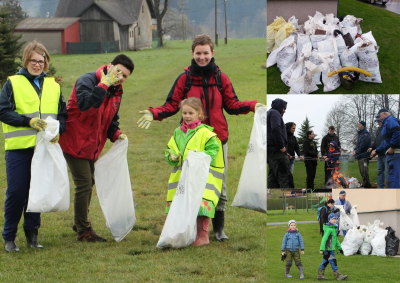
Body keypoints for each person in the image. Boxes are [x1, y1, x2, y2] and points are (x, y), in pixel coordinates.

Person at [136, 34, 264, 241]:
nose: (202, 57)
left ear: (212, 53)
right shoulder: (184, 78)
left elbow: (232, 105)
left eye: (206, 53)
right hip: (191, 141)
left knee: (217, 185)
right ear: (192, 53)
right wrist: (154, 113)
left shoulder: (221, 78)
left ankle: (218, 229)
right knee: (191, 184)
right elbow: (171, 105)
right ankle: (192, 227)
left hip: (217, 140)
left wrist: (252, 105)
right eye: (198, 53)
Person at [0, 41, 67, 252]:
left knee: (36, 191)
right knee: (17, 192)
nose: (38, 64)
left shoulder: (53, 86)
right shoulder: (13, 83)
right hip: (19, 148)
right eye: (34, 60)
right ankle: (9, 237)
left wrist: (58, 131)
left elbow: (63, 115)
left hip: (43, 148)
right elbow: (3, 111)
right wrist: (26, 122)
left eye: (42, 60)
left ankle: (32, 236)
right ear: (26, 60)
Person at [59, 54, 133, 242]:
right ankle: (83, 231)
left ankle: (80, 221)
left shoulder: (117, 90)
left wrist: (117, 134)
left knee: (88, 182)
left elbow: (111, 118)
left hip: (92, 144)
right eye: (118, 72)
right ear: (110, 66)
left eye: (125, 76)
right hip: (75, 140)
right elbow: (85, 105)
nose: (120, 77)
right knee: (84, 183)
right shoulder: (87, 80)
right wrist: (103, 85)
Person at [164, 97, 224, 246]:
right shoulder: (178, 133)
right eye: (184, 113)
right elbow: (171, 148)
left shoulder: (206, 133)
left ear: (199, 114)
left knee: (201, 205)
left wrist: (198, 159)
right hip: (183, 177)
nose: (187, 116)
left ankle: (203, 236)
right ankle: (186, 233)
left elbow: (213, 151)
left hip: (202, 177)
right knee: (184, 205)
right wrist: (172, 156)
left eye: (191, 113)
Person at [267, 99, 294, 188]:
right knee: (286, 178)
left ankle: (271, 198)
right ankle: (289, 199)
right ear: (279, 106)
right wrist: (281, 146)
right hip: (277, 150)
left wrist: (285, 153)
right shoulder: (275, 113)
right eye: (284, 108)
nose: (284, 110)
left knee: (273, 178)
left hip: (270, 152)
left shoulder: (268, 113)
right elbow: (275, 128)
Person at [370, 109, 400, 189]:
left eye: (380, 116)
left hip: (394, 154)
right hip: (390, 155)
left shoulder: (390, 120)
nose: (379, 119)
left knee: (394, 179)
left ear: (384, 113)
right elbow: (384, 143)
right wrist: (376, 151)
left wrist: (392, 146)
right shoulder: (385, 124)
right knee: (391, 178)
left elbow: (397, 131)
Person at [318, 214, 347, 281]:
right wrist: (321, 249)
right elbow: (324, 239)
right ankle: (339, 276)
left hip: (330, 248)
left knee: (325, 261)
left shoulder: (333, 228)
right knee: (333, 261)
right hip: (328, 249)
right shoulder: (329, 229)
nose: (334, 220)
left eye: (335, 219)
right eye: (332, 219)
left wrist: (340, 248)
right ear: (329, 220)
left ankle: (320, 275)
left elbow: (336, 240)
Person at [367, 119, 387, 188]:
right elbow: (376, 142)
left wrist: (376, 152)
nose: (378, 123)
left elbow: (385, 143)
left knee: (389, 172)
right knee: (380, 171)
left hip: (386, 154)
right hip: (380, 154)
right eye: (377, 122)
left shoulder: (386, 129)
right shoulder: (378, 130)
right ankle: (380, 187)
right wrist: (372, 148)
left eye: (379, 121)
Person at [352, 121, 371, 188]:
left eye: (359, 124)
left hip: (364, 156)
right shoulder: (360, 135)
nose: (358, 126)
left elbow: (363, 145)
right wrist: (354, 150)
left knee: (364, 171)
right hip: (360, 156)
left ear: (363, 126)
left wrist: (356, 152)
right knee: (362, 172)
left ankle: (367, 185)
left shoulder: (365, 134)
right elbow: (358, 145)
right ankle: (366, 184)